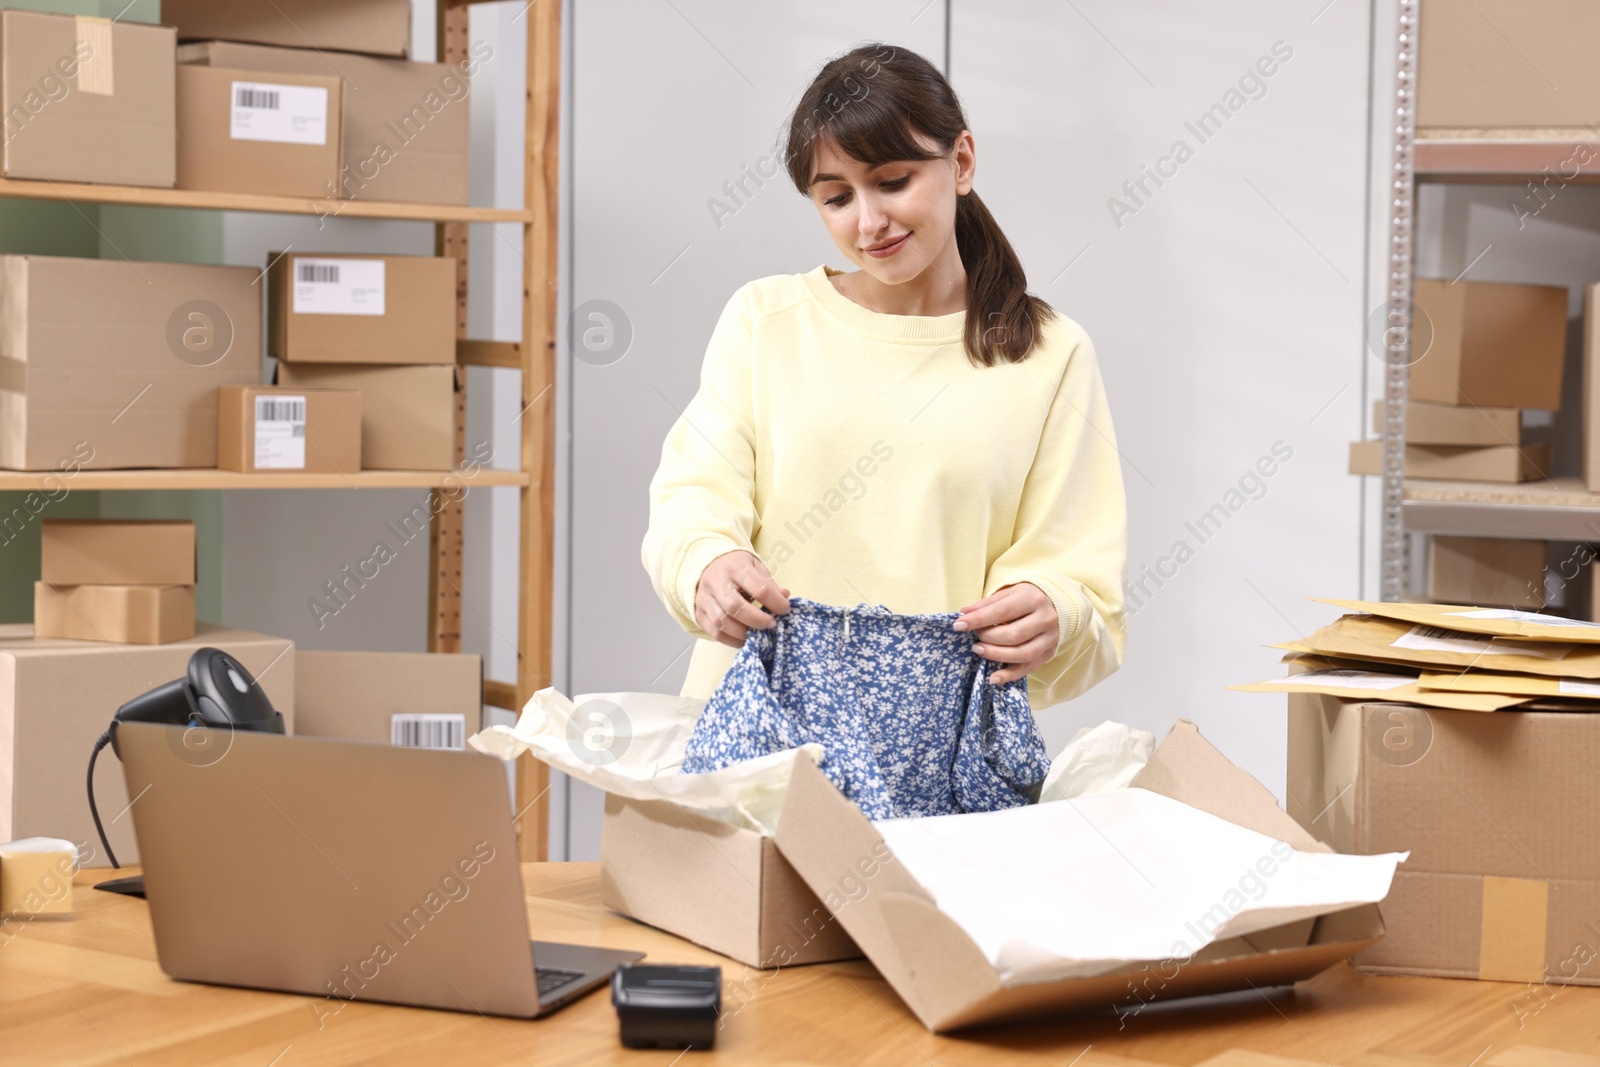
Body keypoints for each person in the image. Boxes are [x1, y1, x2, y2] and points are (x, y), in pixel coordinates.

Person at [641, 41, 1127, 715]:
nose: (868, 223)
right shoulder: (767, 320)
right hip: (754, 741)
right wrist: (706, 565)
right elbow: (691, 497)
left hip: (936, 755)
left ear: (961, 161)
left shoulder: (1049, 355)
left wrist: (1054, 609)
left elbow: (1085, 583)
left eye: (892, 182)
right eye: (836, 197)